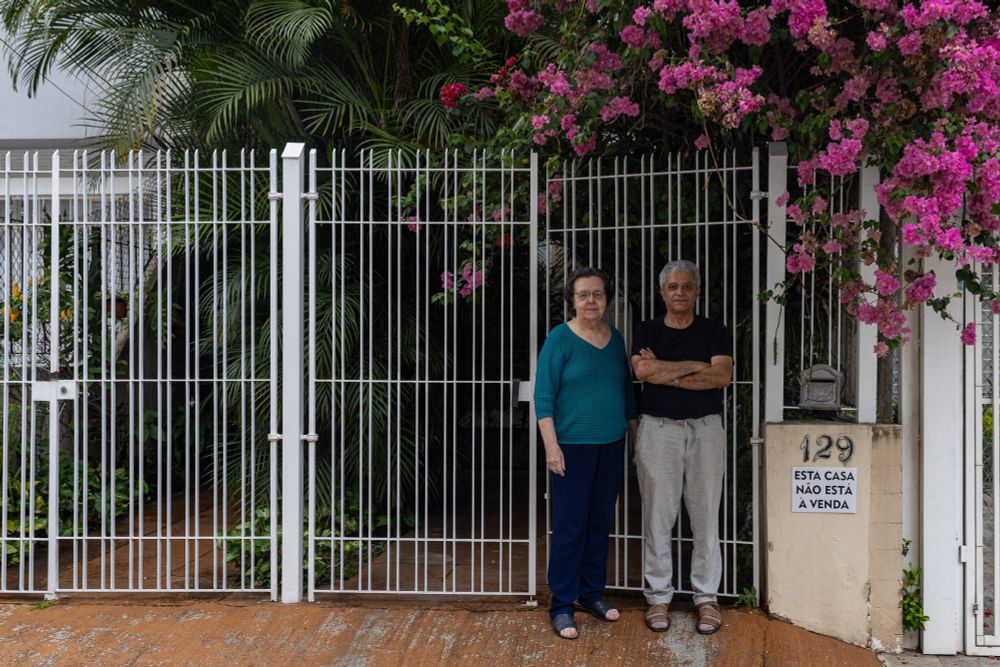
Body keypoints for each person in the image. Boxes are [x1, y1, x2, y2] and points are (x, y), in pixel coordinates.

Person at [534, 266, 638, 640]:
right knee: (569, 527)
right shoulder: (560, 339)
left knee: (598, 523)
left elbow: (627, 394)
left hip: (610, 445)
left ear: (606, 299)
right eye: (583, 294)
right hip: (571, 448)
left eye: (597, 293)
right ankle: (561, 604)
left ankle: (591, 593)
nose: (591, 300)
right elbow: (542, 397)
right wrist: (551, 448)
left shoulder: (614, 337)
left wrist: (634, 437)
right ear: (572, 301)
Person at [630, 259, 733, 635]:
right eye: (673, 287)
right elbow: (642, 372)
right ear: (663, 292)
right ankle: (659, 598)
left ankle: (706, 598)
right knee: (658, 514)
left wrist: (667, 373)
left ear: (697, 291)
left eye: (686, 286)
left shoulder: (714, 330)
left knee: (705, 515)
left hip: (706, 430)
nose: (679, 293)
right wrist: (692, 368)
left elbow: (721, 376)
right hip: (658, 430)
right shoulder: (647, 329)